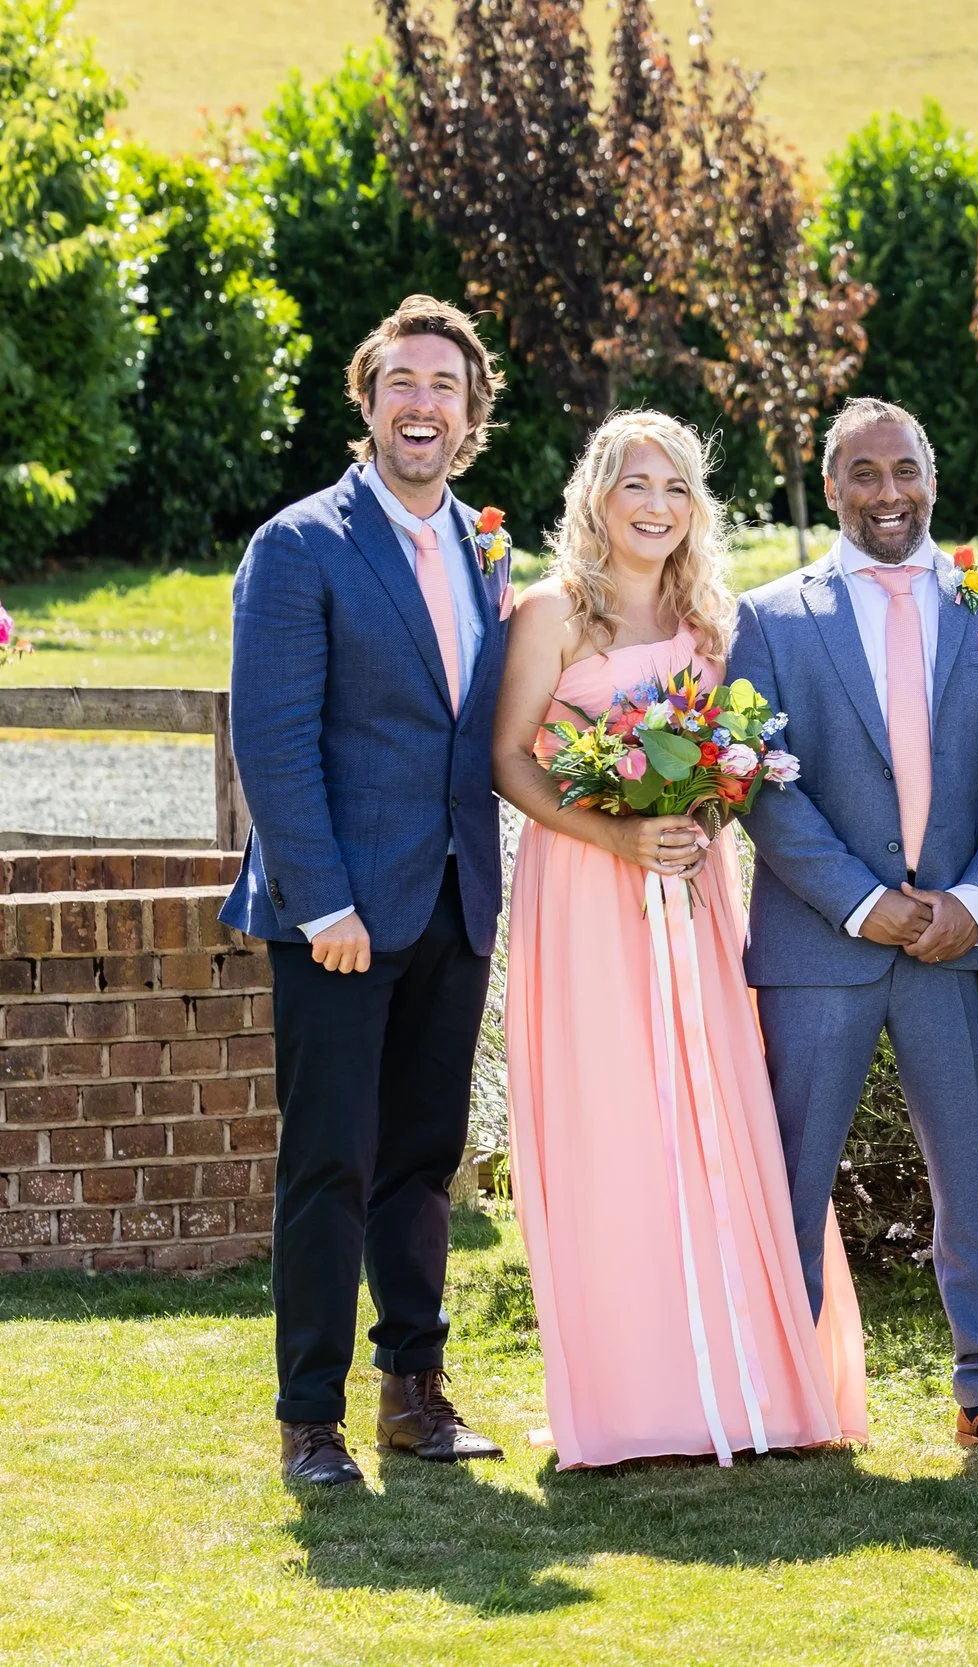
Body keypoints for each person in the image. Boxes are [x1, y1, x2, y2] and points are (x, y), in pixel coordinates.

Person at [495, 409, 867, 1468]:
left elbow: (733, 760)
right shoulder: (551, 613)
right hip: (586, 892)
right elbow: (510, 759)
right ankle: (629, 1396)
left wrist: (703, 807)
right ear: (597, 497)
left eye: (674, 488)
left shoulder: (712, 619)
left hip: (692, 893)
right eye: (635, 485)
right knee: (611, 1119)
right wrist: (618, 833)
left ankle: (746, 1379)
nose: (655, 507)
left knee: (713, 1110)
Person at [729, 398, 978, 1458]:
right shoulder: (769, 617)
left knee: (975, 1169)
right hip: (819, 943)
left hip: (959, 940)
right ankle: (780, 1392)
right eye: (864, 473)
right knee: (790, 1171)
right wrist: (863, 901)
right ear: (832, 487)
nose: (888, 492)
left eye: (905, 469)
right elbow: (762, 782)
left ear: (932, 476)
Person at [224, 296, 513, 1486]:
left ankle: (414, 1393)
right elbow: (272, 740)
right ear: (368, 399)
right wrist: (324, 902)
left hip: (454, 901)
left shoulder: (486, 550)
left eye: (444, 386)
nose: (421, 404)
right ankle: (310, 1419)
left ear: (472, 414)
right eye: (403, 382)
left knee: (422, 1159)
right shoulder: (299, 545)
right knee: (329, 1166)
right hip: (338, 915)